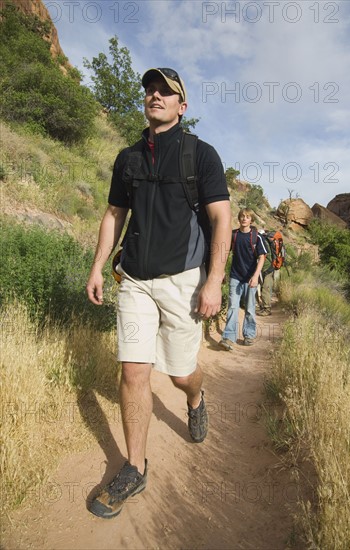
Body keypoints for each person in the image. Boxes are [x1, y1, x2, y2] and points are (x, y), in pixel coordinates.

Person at [86, 67, 232, 519]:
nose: (156, 96)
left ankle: (194, 398)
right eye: (150, 90)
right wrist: (96, 267)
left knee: (180, 373)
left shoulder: (200, 155)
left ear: (181, 107)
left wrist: (213, 280)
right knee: (133, 372)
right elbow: (114, 214)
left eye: (166, 92)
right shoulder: (128, 158)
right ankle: (135, 466)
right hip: (134, 279)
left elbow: (221, 219)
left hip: (183, 281)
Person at [219, 208, 267, 350]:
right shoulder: (233, 235)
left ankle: (249, 335)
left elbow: (262, 257)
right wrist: (221, 271)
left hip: (250, 278)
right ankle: (228, 337)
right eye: (242, 216)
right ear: (239, 219)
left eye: (247, 217)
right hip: (236, 276)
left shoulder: (256, 237)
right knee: (233, 306)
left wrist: (256, 276)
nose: (244, 219)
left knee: (250, 308)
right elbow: (226, 253)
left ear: (251, 220)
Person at [257, 230, 286, 316]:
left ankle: (266, 309)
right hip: (270, 266)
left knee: (266, 288)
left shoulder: (263, 241)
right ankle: (264, 306)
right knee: (265, 287)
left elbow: (264, 255)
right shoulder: (267, 241)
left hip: (267, 267)